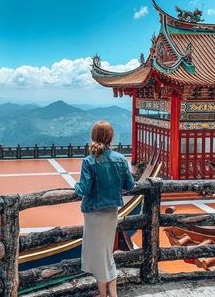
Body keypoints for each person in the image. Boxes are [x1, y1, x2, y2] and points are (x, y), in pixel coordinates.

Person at [74, 121, 135, 297]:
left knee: (100, 254)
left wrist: (75, 186)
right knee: (106, 253)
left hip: (93, 213)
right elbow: (130, 185)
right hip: (111, 212)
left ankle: (108, 294)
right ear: (111, 137)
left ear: (93, 136)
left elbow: (83, 189)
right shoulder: (120, 159)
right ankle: (106, 293)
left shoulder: (89, 161)